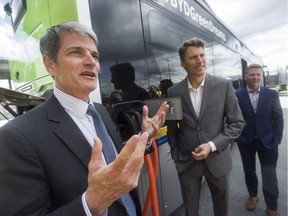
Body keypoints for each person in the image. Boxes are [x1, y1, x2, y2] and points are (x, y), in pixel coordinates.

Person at [0, 22, 169, 216]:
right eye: (76, 52)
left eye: (95, 55)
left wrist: (145, 136)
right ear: (50, 64)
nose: (91, 62)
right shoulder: (16, 137)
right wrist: (91, 204)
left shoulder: (101, 111)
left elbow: (115, 163)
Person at [166, 38, 245, 216]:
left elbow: (237, 123)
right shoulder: (173, 92)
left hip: (218, 159)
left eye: (202, 55)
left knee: (221, 208)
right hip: (187, 162)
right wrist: (176, 155)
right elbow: (172, 129)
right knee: (190, 209)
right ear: (182, 63)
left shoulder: (223, 86)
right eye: (193, 57)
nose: (200, 60)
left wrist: (211, 145)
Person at [235, 64, 284, 216]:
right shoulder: (238, 95)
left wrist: (277, 138)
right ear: (246, 76)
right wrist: (238, 137)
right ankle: (253, 196)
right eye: (252, 74)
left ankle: (271, 206)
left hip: (268, 141)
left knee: (269, 174)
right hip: (246, 142)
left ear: (261, 76)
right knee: (249, 171)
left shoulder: (271, 94)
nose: (255, 77)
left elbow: (278, 117)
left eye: (258, 74)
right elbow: (233, 118)